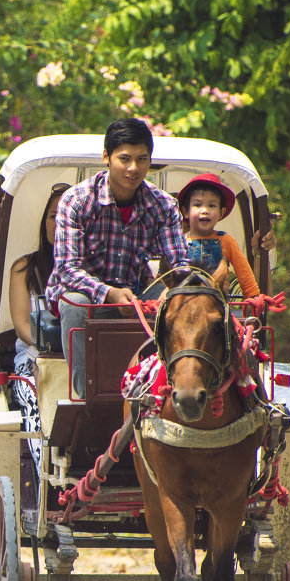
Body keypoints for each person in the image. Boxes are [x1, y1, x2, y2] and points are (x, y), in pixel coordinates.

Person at [46, 118, 191, 398]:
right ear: (106, 157)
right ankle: (87, 396)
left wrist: (172, 291)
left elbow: (178, 264)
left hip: (137, 294)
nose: (134, 168)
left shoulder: (164, 206)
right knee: (77, 303)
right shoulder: (75, 201)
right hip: (84, 295)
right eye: (124, 159)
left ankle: (171, 388)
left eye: (142, 159)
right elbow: (66, 269)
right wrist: (109, 293)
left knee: (185, 295)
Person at [7, 182, 68, 476]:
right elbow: (21, 325)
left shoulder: (93, 270)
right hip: (34, 357)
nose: (59, 223)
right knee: (36, 396)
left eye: (67, 215)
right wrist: (50, 350)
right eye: (53, 215)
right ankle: (45, 476)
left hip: (79, 359)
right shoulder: (24, 270)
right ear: (44, 222)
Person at [177, 172, 266, 298]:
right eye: (197, 205)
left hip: (217, 303)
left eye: (212, 205)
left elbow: (246, 278)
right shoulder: (178, 243)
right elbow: (166, 279)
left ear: (221, 213)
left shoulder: (226, 241)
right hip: (182, 302)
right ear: (185, 211)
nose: (205, 210)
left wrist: (252, 297)